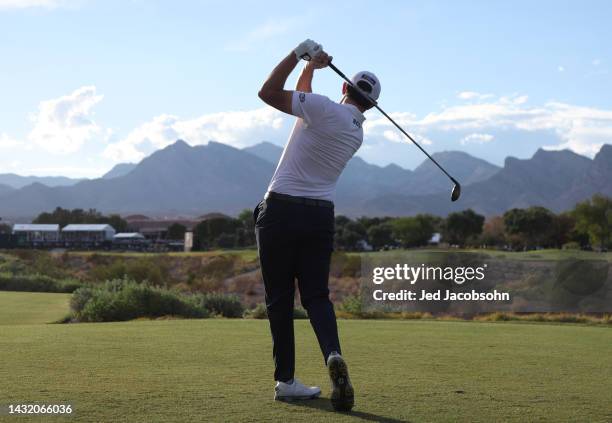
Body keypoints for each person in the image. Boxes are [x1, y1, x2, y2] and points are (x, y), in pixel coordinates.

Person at [255, 39, 380, 412]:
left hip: (280, 211)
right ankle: (332, 354)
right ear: (371, 105)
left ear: (344, 88)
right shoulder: (355, 131)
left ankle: (286, 381)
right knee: (316, 296)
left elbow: (269, 92)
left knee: (280, 298)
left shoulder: (323, 109)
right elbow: (305, 104)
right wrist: (311, 68)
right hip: (320, 216)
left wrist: (299, 55)